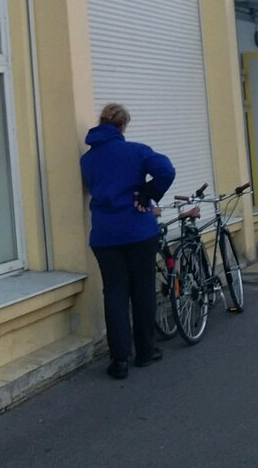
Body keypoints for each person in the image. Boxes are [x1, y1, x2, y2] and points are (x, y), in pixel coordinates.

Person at [80, 103, 175, 380]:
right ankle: (145, 352)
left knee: (114, 293)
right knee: (143, 290)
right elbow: (166, 170)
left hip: (104, 235)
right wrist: (147, 193)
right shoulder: (136, 151)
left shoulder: (87, 160)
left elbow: (94, 186)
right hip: (138, 232)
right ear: (122, 127)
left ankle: (119, 360)